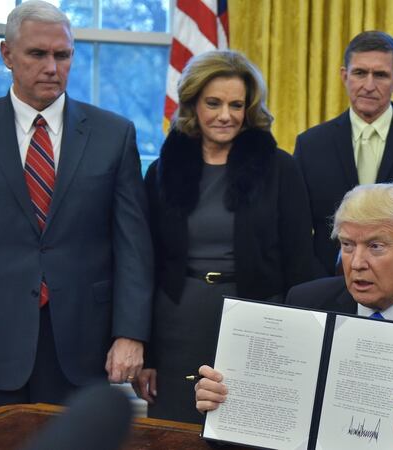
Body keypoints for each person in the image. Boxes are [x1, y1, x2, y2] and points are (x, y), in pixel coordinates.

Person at [195, 183, 393, 450]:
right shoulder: (307, 301)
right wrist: (223, 404)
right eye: (348, 245)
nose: (357, 263)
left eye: (375, 246)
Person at [0, 0, 152, 416]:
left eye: (62, 55)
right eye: (37, 54)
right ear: (7, 55)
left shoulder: (113, 134)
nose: (52, 66)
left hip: (83, 347)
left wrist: (130, 333)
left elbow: (133, 245)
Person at [132, 50, 314, 423]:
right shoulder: (163, 170)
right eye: (213, 103)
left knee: (248, 432)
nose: (225, 115)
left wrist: (300, 343)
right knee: (173, 434)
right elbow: (147, 266)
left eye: (236, 105)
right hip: (177, 325)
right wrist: (147, 354)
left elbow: (300, 261)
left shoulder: (279, 167)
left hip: (258, 323)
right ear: (193, 103)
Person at [294, 30, 393, 277]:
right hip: (327, 288)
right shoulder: (311, 145)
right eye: (360, 73)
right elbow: (299, 234)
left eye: (380, 75)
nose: (369, 85)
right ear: (344, 75)